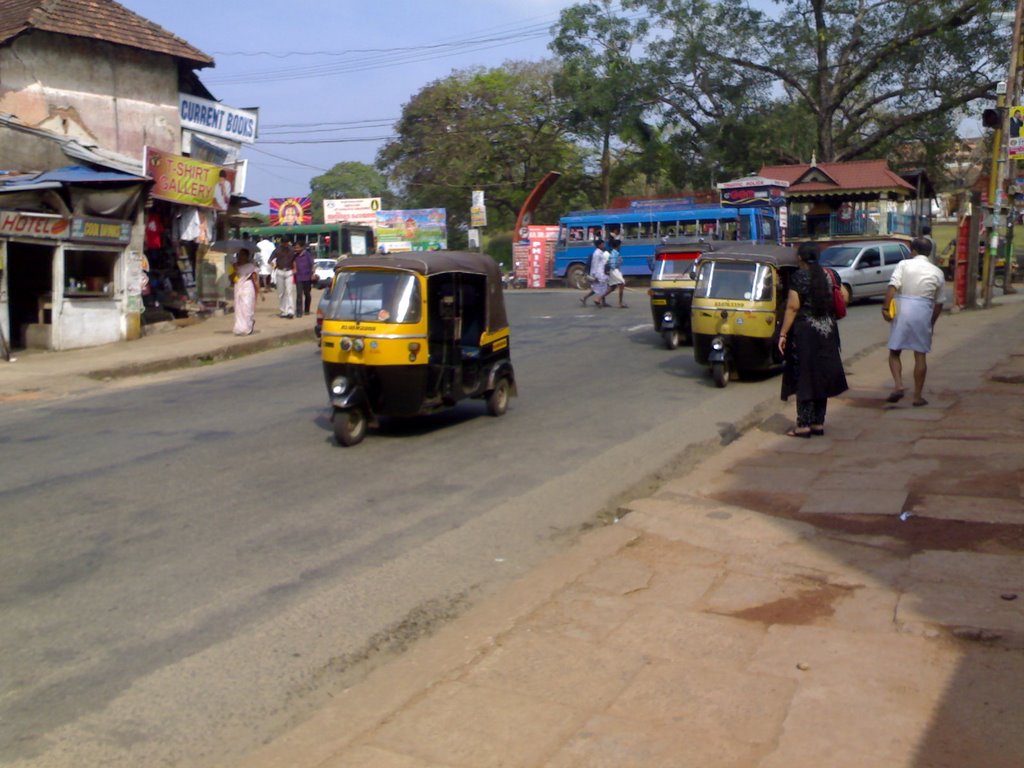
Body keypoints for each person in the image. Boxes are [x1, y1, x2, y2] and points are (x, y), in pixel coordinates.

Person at [778, 242, 848, 437]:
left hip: (805, 332)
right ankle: (818, 423)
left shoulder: (799, 277)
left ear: (800, 258)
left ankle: (803, 425)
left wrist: (783, 333)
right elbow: (844, 297)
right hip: (828, 330)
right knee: (821, 375)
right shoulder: (830, 275)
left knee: (805, 376)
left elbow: (792, 307)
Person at [882, 236, 945, 407]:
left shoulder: (904, 264)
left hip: (903, 308)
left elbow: (892, 287)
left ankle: (898, 385)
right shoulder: (937, 272)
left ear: (914, 251)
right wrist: (931, 322)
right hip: (924, 310)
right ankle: (917, 396)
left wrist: (886, 308)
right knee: (920, 355)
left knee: (895, 351)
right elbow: (939, 303)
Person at [232, 249, 263, 335]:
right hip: (238, 286)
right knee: (239, 308)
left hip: (247, 287)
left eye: (243, 255)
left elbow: (255, 280)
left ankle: (248, 326)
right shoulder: (234, 266)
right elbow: (231, 278)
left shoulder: (251, 267)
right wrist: (234, 270)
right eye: (239, 255)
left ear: (247, 256)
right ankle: (239, 327)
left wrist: (260, 293)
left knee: (247, 307)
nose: (241, 257)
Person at [270, 239, 297, 318]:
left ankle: (290, 310)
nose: (285, 244)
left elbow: (294, 260)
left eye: (286, 242)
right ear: (281, 243)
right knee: (281, 293)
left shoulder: (291, 250)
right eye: (284, 243)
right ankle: (283, 310)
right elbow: (270, 260)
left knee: (289, 291)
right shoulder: (277, 250)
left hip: (289, 271)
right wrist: (273, 265)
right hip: (280, 271)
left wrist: (295, 268)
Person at [579, 238, 609, 307]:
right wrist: (594, 275)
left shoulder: (599, 252)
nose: (604, 245)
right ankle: (598, 300)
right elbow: (594, 265)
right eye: (602, 244)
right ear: (599, 245)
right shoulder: (597, 254)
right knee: (602, 287)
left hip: (600, 272)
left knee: (600, 288)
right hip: (599, 273)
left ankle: (586, 298)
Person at [292, 242, 314, 318]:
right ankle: (299, 312)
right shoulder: (295, 256)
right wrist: (294, 269)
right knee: (299, 295)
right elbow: (293, 263)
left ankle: (307, 309)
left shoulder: (307, 255)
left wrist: (312, 274)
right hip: (299, 277)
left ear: (302, 247)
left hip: (307, 277)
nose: (296, 249)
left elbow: (312, 265)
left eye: (297, 247)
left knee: (307, 294)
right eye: (295, 248)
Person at [605, 237, 627, 308]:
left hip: (614, 270)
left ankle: (599, 298)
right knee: (622, 283)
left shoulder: (614, 252)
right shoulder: (614, 253)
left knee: (612, 287)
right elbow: (612, 263)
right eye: (620, 245)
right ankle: (620, 302)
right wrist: (614, 269)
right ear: (618, 246)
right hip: (614, 270)